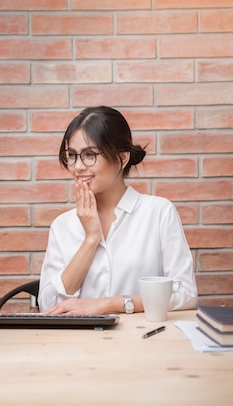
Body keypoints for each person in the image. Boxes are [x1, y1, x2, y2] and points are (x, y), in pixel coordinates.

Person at [38, 106, 198, 315]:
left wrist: (108, 304)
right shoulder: (62, 225)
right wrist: (91, 239)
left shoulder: (158, 213)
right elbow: (48, 306)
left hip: (143, 341)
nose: (77, 167)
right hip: (78, 344)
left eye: (89, 155)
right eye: (72, 155)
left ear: (122, 159)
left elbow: (185, 294)